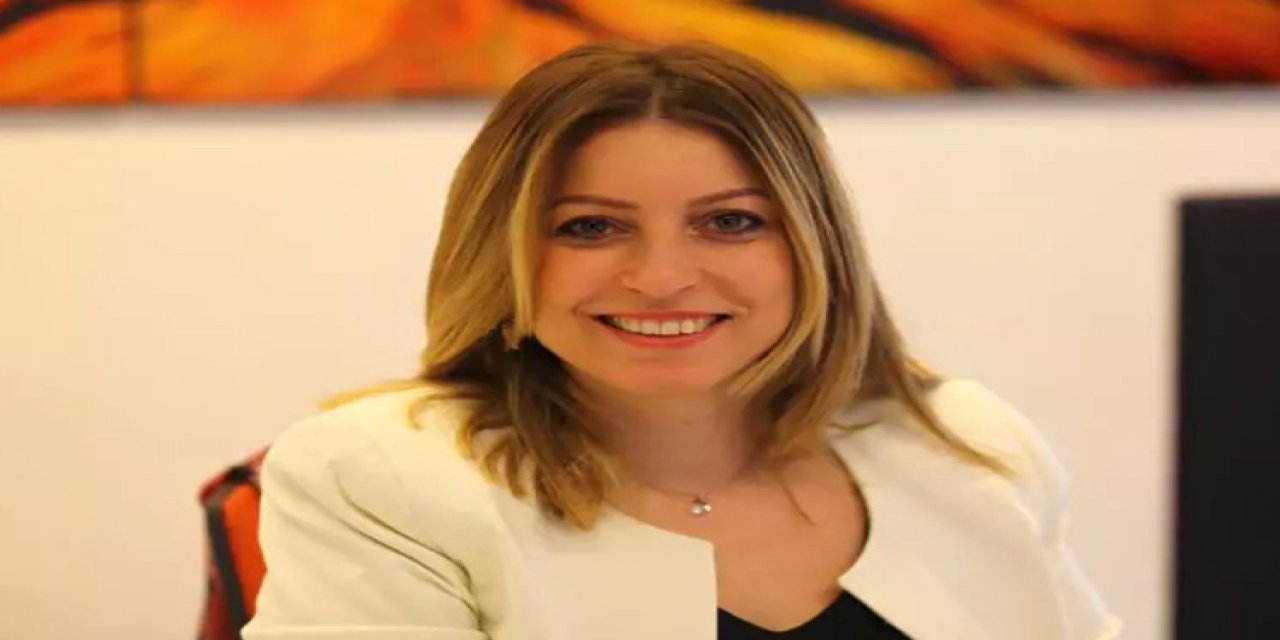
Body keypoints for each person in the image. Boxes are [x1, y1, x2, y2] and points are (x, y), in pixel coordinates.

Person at [242, 41, 1121, 640]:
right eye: (590, 228)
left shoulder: (965, 442)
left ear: (813, 247)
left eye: (730, 222)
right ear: (499, 253)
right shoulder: (379, 476)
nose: (661, 278)